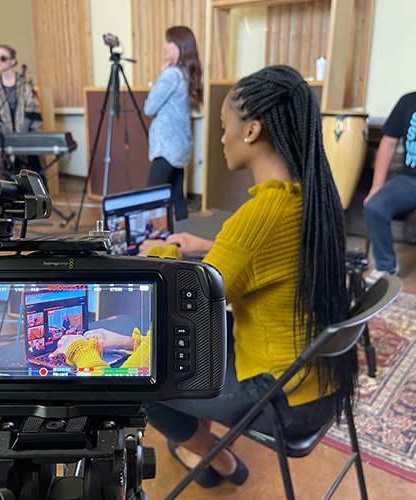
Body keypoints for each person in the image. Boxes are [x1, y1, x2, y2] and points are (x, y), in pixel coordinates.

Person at [137, 65, 358, 488]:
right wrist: (208, 246)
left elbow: (187, 299)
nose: (221, 138)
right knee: (199, 341)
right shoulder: (309, 197)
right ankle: (203, 444)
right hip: (320, 379)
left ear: (252, 130)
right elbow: (268, 259)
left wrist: (161, 252)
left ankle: (221, 462)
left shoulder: (260, 216)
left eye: (224, 127)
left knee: (142, 378)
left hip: (282, 397)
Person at [144, 26, 203, 221]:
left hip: (167, 148)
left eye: (168, 42)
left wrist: (162, 75)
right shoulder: (186, 73)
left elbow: (149, 108)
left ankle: (148, 236)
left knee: (150, 198)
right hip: (180, 147)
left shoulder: (171, 75)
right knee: (177, 196)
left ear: (179, 46)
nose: (164, 46)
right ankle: (183, 233)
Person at [363, 92, 416, 285]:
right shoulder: (408, 101)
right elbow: (388, 143)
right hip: (409, 180)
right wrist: (376, 186)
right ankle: (386, 267)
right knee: (374, 207)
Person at [0, 44, 44, 179]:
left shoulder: (25, 83)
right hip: (6, 136)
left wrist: (20, 137)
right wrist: (9, 137)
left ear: (12, 61)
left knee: (37, 171)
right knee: (9, 172)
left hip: (27, 134)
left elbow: (32, 108)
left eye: (3, 58)